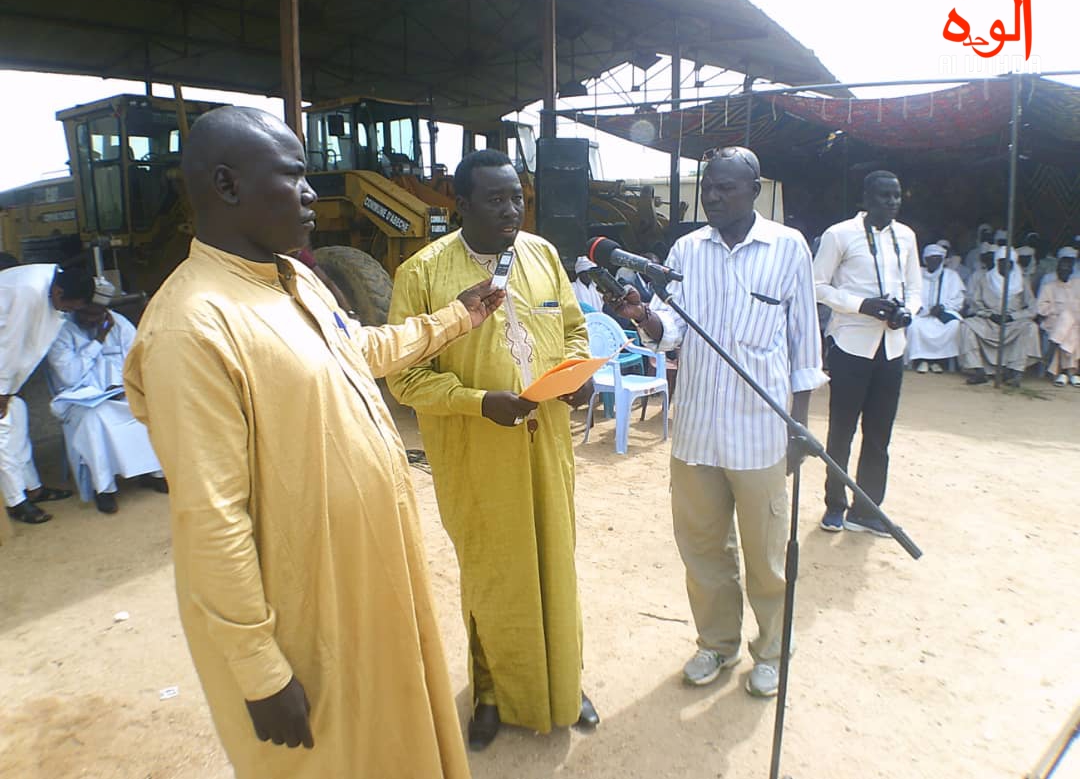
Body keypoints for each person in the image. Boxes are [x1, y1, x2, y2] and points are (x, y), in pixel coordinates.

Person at [122, 106, 501, 779]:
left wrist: (454, 319)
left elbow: (358, 349)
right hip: (304, 613)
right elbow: (212, 518)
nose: (309, 194)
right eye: (293, 178)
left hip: (365, 582)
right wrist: (259, 670)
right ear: (227, 185)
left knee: (392, 741)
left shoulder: (293, 279)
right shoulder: (192, 327)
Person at [386, 149, 599, 751]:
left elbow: (575, 330)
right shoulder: (423, 273)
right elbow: (405, 377)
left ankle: (564, 685)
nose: (511, 210)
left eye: (517, 198)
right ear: (462, 202)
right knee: (492, 576)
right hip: (476, 452)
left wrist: (576, 374)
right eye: (495, 199)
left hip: (546, 443)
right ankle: (490, 693)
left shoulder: (543, 255)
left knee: (556, 562)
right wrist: (480, 401)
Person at [609, 146, 828, 699]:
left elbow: (804, 343)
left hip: (761, 433)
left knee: (766, 554)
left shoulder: (788, 249)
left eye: (726, 187)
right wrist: (645, 318)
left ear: (755, 189)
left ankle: (773, 649)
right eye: (708, 187)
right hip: (698, 432)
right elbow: (675, 331)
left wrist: (797, 426)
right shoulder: (686, 250)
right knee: (704, 548)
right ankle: (717, 644)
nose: (713, 196)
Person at [813, 170, 921, 536]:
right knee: (841, 432)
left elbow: (917, 290)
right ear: (866, 199)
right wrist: (862, 305)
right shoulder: (839, 234)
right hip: (850, 347)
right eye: (883, 196)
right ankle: (835, 506)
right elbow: (816, 286)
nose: (891, 203)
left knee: (879, 435)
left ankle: (868, 510)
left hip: (891, 349)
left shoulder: (906, 237)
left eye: (896, 196)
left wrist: (907, 312)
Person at [45, 279, 166, 513]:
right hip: (81, 399)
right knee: (95, 419)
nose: (93, 320)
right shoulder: (62, 332)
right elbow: (70, 376)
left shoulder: (119, 324)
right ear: (78, 309)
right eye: (88, 315)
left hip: (120, 392)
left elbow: (136, 362)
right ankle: (105, 488)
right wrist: (98, 341)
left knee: (150, 407)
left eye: (98, 315)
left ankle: (153, 473)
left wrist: (126, 386)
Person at [0, 264, 90, 533]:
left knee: (18, 417)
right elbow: (10, 341)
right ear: (59, 292)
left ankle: (33, 488)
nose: (68, 312)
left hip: (5, 362)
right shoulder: (29, 291)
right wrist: (3, 390)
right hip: (2, 358)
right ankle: (16, 501)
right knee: (3, 431)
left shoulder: (55, 279)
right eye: (68, 307)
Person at [957, 246, 1041, 386]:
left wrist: (1013, 317)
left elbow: (1033, 308)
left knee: (1031, 328)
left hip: (1012, 322)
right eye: (1002, 262)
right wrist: (989, 315)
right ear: (997, 262)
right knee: (967, 326)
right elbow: (976, 304)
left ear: (1013, 264)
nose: (1006, 265)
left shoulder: (1022, 281)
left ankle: (1015, 372)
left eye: (1009, 262)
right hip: (989, 320)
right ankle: (978, 370)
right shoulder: (985, 279)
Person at [907, 243, 965, 373]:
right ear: (925, 259)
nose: (934, 261)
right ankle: (921, 360)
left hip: (942, 314)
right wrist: (918, 307)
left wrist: (943, 307)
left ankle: (937, 361)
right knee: (913, 325)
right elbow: (908, 294)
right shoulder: (917, 274)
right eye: (931, 258)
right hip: (921, 314)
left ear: (942, 260)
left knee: (954, 325)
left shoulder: (951, 275)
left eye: (937, 258)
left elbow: (958, 299)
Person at [1036, 247, 1080, 386]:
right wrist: (1057, 309)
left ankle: (1061, 371)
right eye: (1062, 269)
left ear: (1071, 270)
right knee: (1068, 324)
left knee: (1069, 326)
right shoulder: (1049, 286)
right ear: (1057, 269)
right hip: (1053, 321)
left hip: (1075, 322)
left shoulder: (1078, 284)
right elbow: (1040, 308)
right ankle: (1073, 373)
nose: (1064, 272)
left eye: (1068, 269)